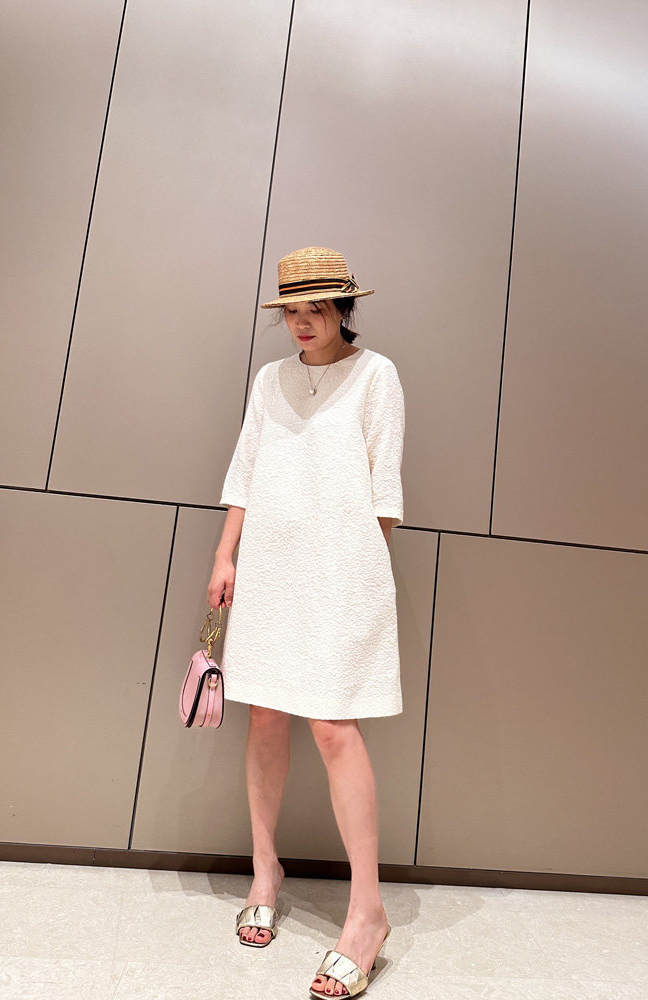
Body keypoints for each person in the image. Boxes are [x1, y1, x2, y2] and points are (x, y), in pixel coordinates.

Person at [208, 246, 404, 998]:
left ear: (344, 310)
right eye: (292, 311)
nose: (302, 323)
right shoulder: (271, 379)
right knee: (264, 716)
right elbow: (245, 470)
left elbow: (385, 494)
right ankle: (265, 873)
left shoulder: (376, 375)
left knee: (332, 728)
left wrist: (352, 576)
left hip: (339, 572)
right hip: (269, 565)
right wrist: (225, 556)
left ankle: (367, 914)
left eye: (316, 309)